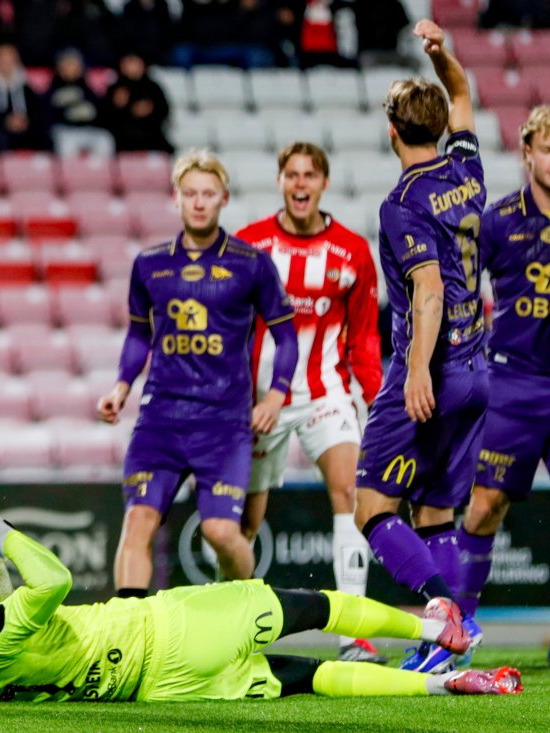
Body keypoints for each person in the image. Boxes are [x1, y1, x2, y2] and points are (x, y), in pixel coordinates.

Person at [0, 499, 521, 703]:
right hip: (169, 628)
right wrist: (0, 532)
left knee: (309, 679)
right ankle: (436, 630)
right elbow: (56, 582)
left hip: (164, 686)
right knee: (314, 607)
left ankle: (449, 685)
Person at [96, 150, 298, 594]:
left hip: (223, 424)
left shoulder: (251, 263)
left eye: (208, 194)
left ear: (223, 198)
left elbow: (287, 336)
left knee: (222, 532)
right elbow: (138, 336)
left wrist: (275, 395)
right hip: (160, 421)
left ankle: (246, 611)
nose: (199, 202)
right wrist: (121, 387)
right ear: (177, 198)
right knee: (138, 522)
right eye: (191, 194)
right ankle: (129, 640)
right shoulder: (149, 264)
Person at [353, 20, 487, 675]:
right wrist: (441, 53)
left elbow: (427, 290)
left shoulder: (401, 201)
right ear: (437, 124)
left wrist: (412, 372)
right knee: (435, 509)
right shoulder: (468, 164)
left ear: (391, 131)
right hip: (478, 367)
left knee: (372, 507)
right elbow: (462, 91)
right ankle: (449, 646)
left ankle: (443, 613)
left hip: (433, 369)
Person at [236, 142, 384, 664]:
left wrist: (375, 397)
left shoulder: (351, 251)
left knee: (351, 494)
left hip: (326, 393)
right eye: (291, 175)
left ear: (323, 183)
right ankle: (228, 634)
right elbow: (230, 327)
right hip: (260, 400)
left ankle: (354, 636)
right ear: (280, 181)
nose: (300, 184)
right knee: (243, 521)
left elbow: (365, 338)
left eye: (310, 175)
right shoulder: (250, 246)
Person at [455, 106, 550, 630]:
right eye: (548, 147)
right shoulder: (498, 219)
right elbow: (462, 290)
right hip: (514, 380)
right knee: (487, 500)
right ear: (528, 153)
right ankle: (460, 624)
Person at [0, 43, 51, 152]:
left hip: (26, 135)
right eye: (3, 60)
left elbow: (38, 116)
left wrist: (24, 121)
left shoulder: (27, 90)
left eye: (10, 60)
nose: (6, 64)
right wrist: (6, 122)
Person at [98, 52, 172, 153]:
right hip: (123, 138)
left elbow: (164, 111)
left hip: (151, 136)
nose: (132, 68)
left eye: (135, 63)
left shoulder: (153, 87)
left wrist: (150, 111)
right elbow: (104, 117)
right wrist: (117, 106)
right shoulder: (115, 89)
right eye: (128, 63)